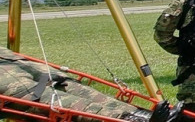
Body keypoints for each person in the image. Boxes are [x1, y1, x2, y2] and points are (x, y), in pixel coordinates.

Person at [0, 46, 182, 122]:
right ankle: (129, 120)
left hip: (18, 67)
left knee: (72, 86)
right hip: (16, 86)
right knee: (45, 98)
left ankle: (141, 114)